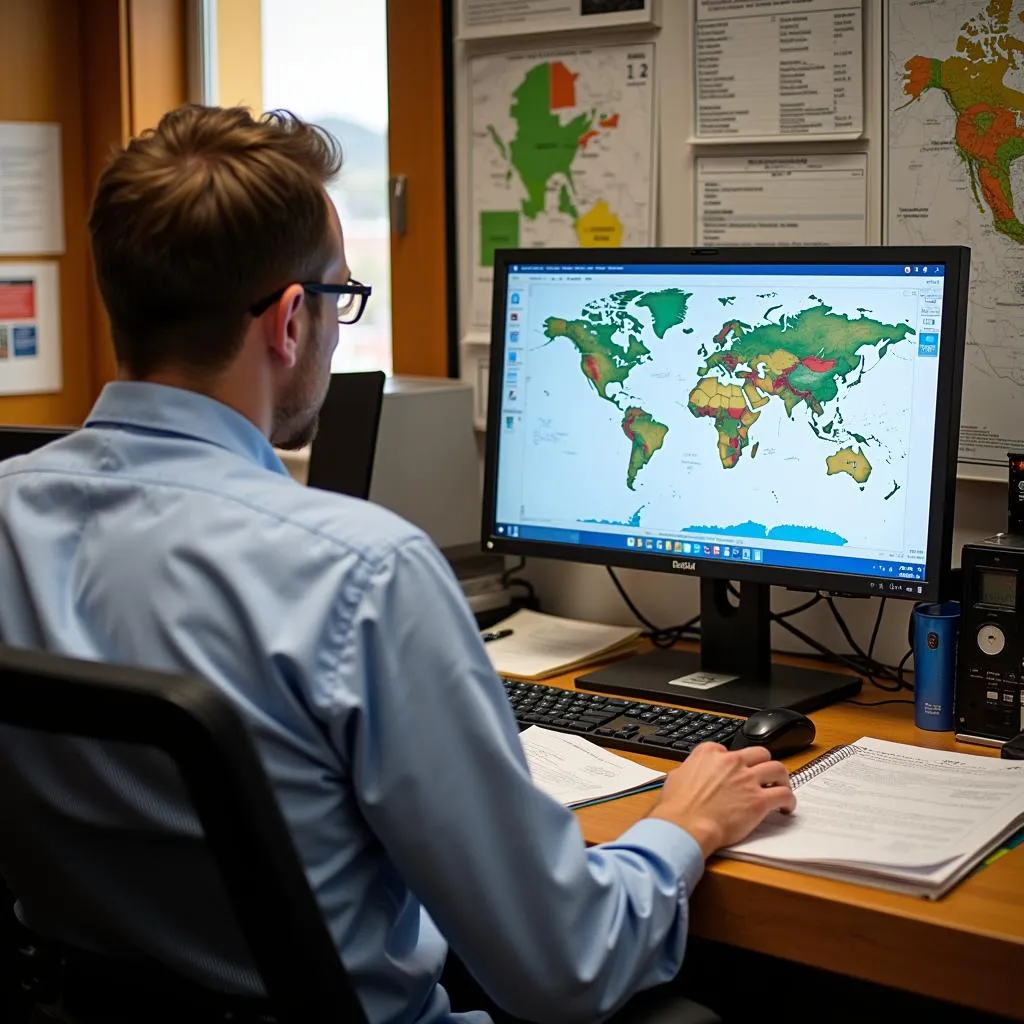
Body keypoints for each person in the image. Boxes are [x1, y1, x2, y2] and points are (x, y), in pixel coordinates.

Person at [0, 104, 795, 1024]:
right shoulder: (359, 574)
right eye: (341, 297)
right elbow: (564, 968)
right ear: (291, 321)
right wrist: (683, 826)